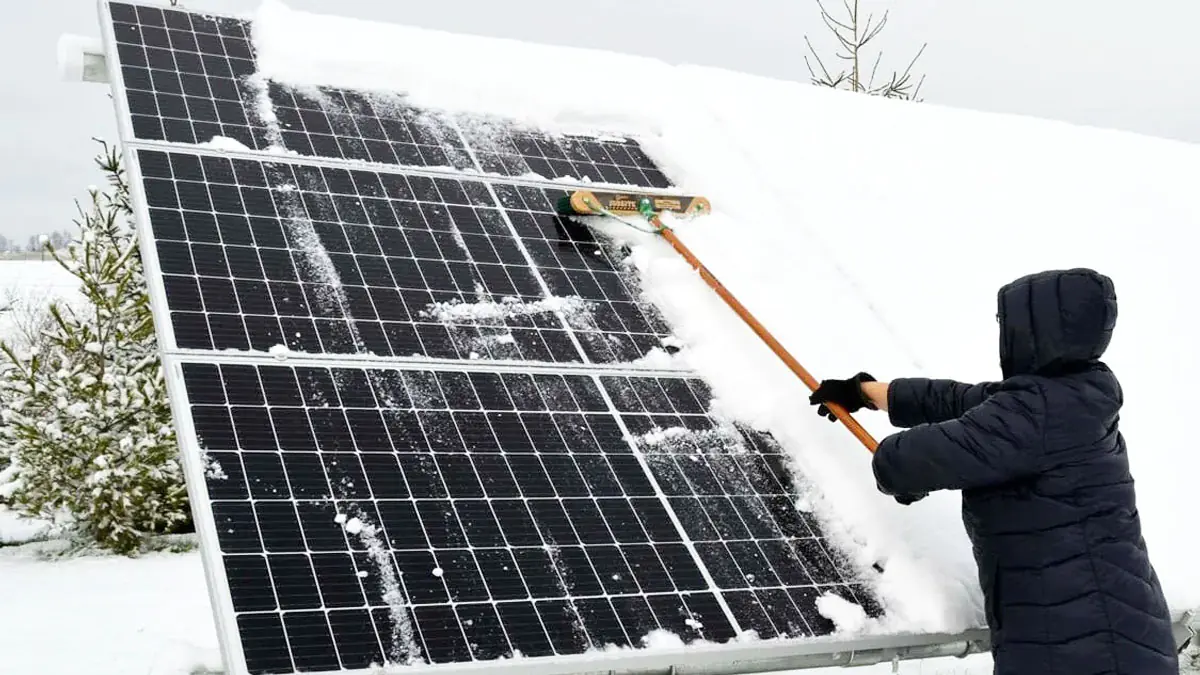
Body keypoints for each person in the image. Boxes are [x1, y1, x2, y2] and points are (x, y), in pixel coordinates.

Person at [808, 268, 1178, 675]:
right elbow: (963, 401)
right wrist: (865, 392)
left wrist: (901, 469)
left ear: (1036, 329)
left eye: (1008, 322)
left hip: (1083, 650)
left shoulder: (1036, 413)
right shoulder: (1076, 392)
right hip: (1105, 634)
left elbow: (911, 461)